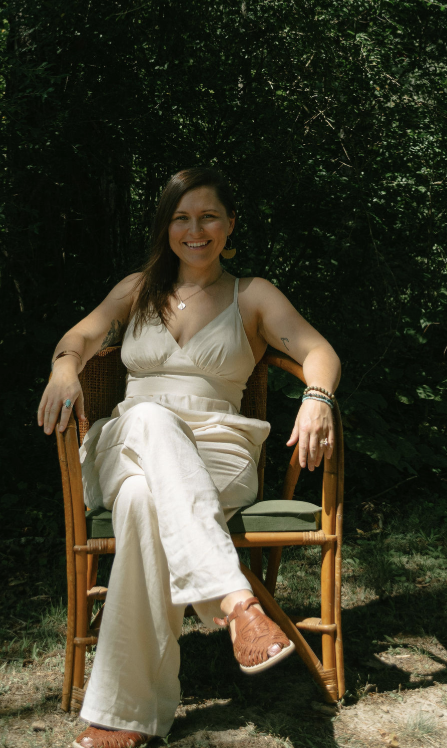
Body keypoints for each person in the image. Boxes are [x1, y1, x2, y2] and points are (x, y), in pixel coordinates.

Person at [37, 167, 341, 748]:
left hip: (218, 454)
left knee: (143, 506)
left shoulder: (253, 294)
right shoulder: (137, 288)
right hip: (126, 442)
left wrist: (317, 397)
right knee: (149, 416)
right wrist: (63, 367)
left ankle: (124, 717)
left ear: (229, 226)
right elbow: (78, 338)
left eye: (207, 217)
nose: (194, 229)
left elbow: (317, 350)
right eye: (181, 217)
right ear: (166, 226)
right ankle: (236, 601)